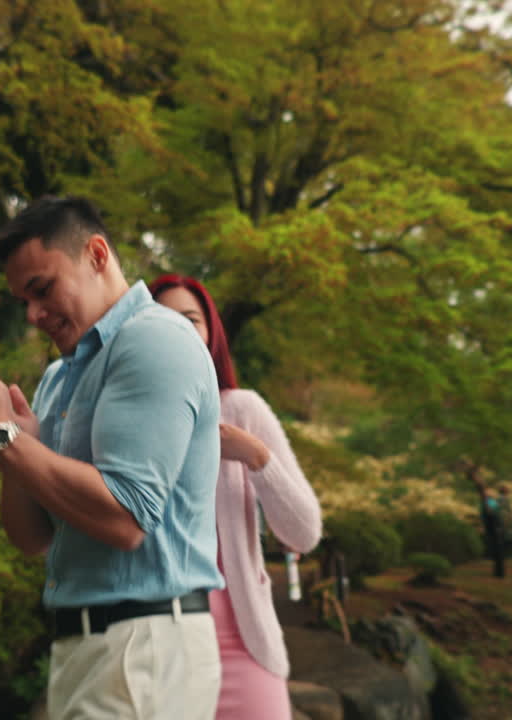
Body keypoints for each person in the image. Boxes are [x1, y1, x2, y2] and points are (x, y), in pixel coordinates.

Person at [0, 197, 223, 720]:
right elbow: (32, 539)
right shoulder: (60, 376)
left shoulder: (153, 341)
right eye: (23, 301)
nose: (33, 315)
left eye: (42, 289)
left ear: (97, 254)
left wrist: (3, 436)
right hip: (88, 647)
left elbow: (124, 519)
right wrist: (11, 449)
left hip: (142, 645)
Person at [150, 274, 323, 720]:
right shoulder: (129, 420)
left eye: (192, 319)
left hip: (241, 647)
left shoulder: (242, 408)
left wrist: (255, 455)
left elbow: (304, 533)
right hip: (159, 656)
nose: (181, 331)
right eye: (164, 321)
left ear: (211, 334)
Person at [468, 466, 506, 578]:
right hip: (493, 528)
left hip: (496, 528)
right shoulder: (488, 502)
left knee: (498, 551)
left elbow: (494, 514)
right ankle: (498, 573)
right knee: (496, 550)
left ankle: (499, 573)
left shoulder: (491, 502)